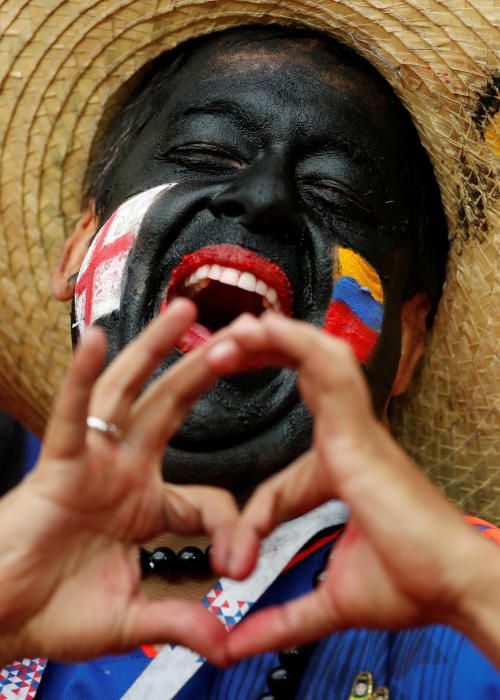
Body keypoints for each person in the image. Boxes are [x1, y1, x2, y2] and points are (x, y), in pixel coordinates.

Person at [0, 3, 498, 699]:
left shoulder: (453, 604)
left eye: (335, 191)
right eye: (206, 152)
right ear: (80, 245)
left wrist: (473, 593)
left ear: (407, 344)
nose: (264, 196)